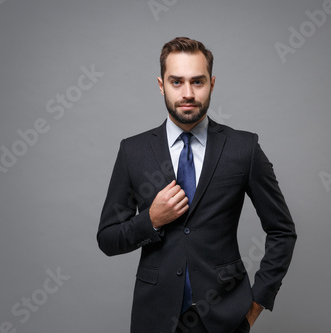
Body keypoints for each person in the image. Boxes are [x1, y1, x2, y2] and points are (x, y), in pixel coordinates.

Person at [97, 36, 297, 333]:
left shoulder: (243, 148)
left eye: (197, 82)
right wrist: (150, 220)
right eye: (176, 82)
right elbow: (108, 238)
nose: (188, 93)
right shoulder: (133, 151)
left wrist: (256, 304)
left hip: (226, 319)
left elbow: (282, 231)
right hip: (154, 317)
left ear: (212, 84)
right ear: (161, 84)